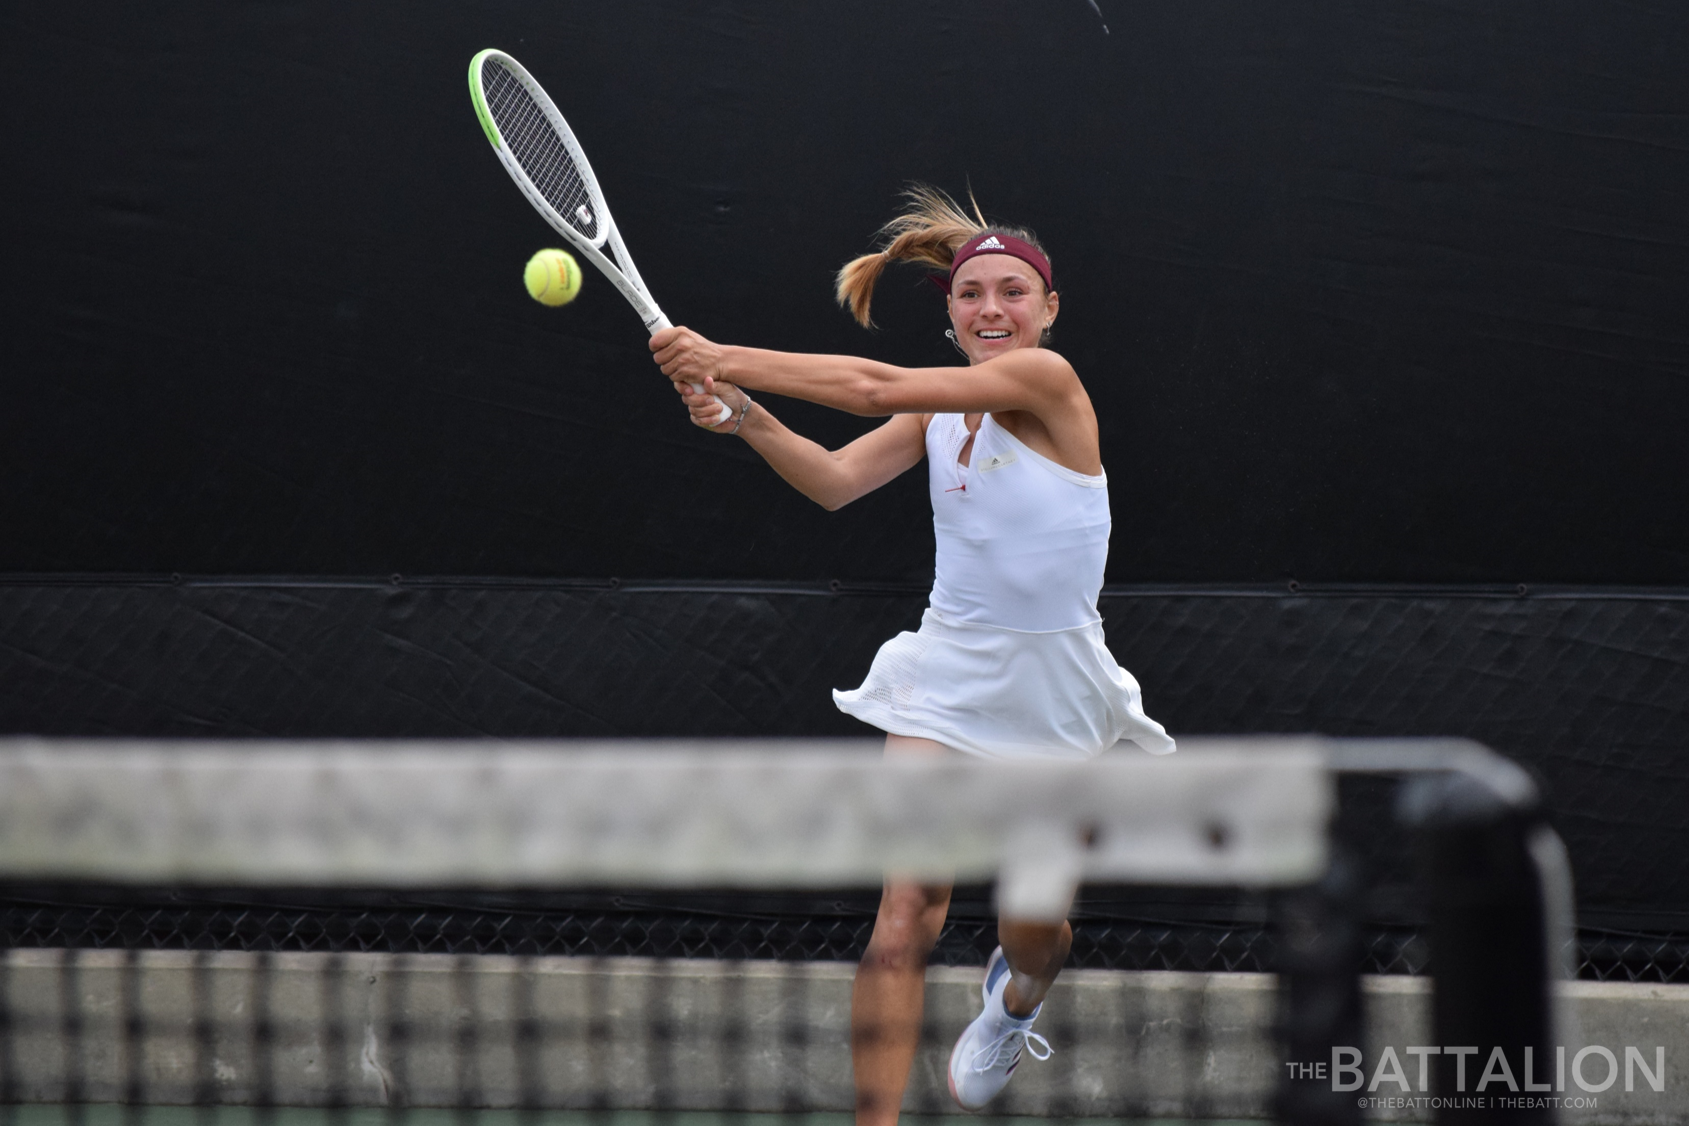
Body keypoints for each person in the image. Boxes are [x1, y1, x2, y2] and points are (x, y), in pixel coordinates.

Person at [650, 186, 1174, 1123]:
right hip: (944, 675)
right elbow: (839, 481)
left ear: (1048, 311)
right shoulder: (940, 419)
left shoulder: (1049, 386)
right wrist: (743, 415)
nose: (991, 309)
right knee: (901, 918)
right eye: (972, 294)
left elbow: (872, 385)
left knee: (1032, 926)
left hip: (1053, 694)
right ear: (950, 313)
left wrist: (723, 354)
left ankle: (1014, 1003)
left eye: (1013, 292)